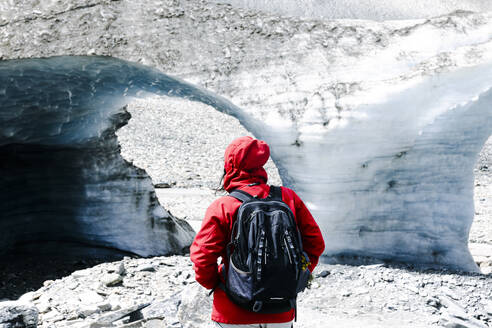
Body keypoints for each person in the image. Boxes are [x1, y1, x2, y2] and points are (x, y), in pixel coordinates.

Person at [190, 136, 325, 327]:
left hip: (232, 312)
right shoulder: (288, 198)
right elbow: (316, 244)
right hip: (281, 311)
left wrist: (221, 284)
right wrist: (294, 275)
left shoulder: (223, 205)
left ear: (229, 165)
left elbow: (202, 259)